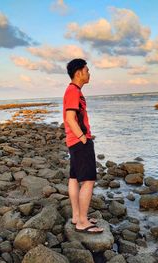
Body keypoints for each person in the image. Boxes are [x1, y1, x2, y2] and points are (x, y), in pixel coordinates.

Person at [63, 58, 104, 234]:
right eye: (87, 70)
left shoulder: (73, 90)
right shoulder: (73, 91)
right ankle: (82, 222)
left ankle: (76, 216)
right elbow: (70, 118)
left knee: (74, 177)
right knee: (88, 180)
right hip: (79, 141)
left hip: (74, 141)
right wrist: (83, 138)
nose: (89, 73)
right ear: (78, 72)